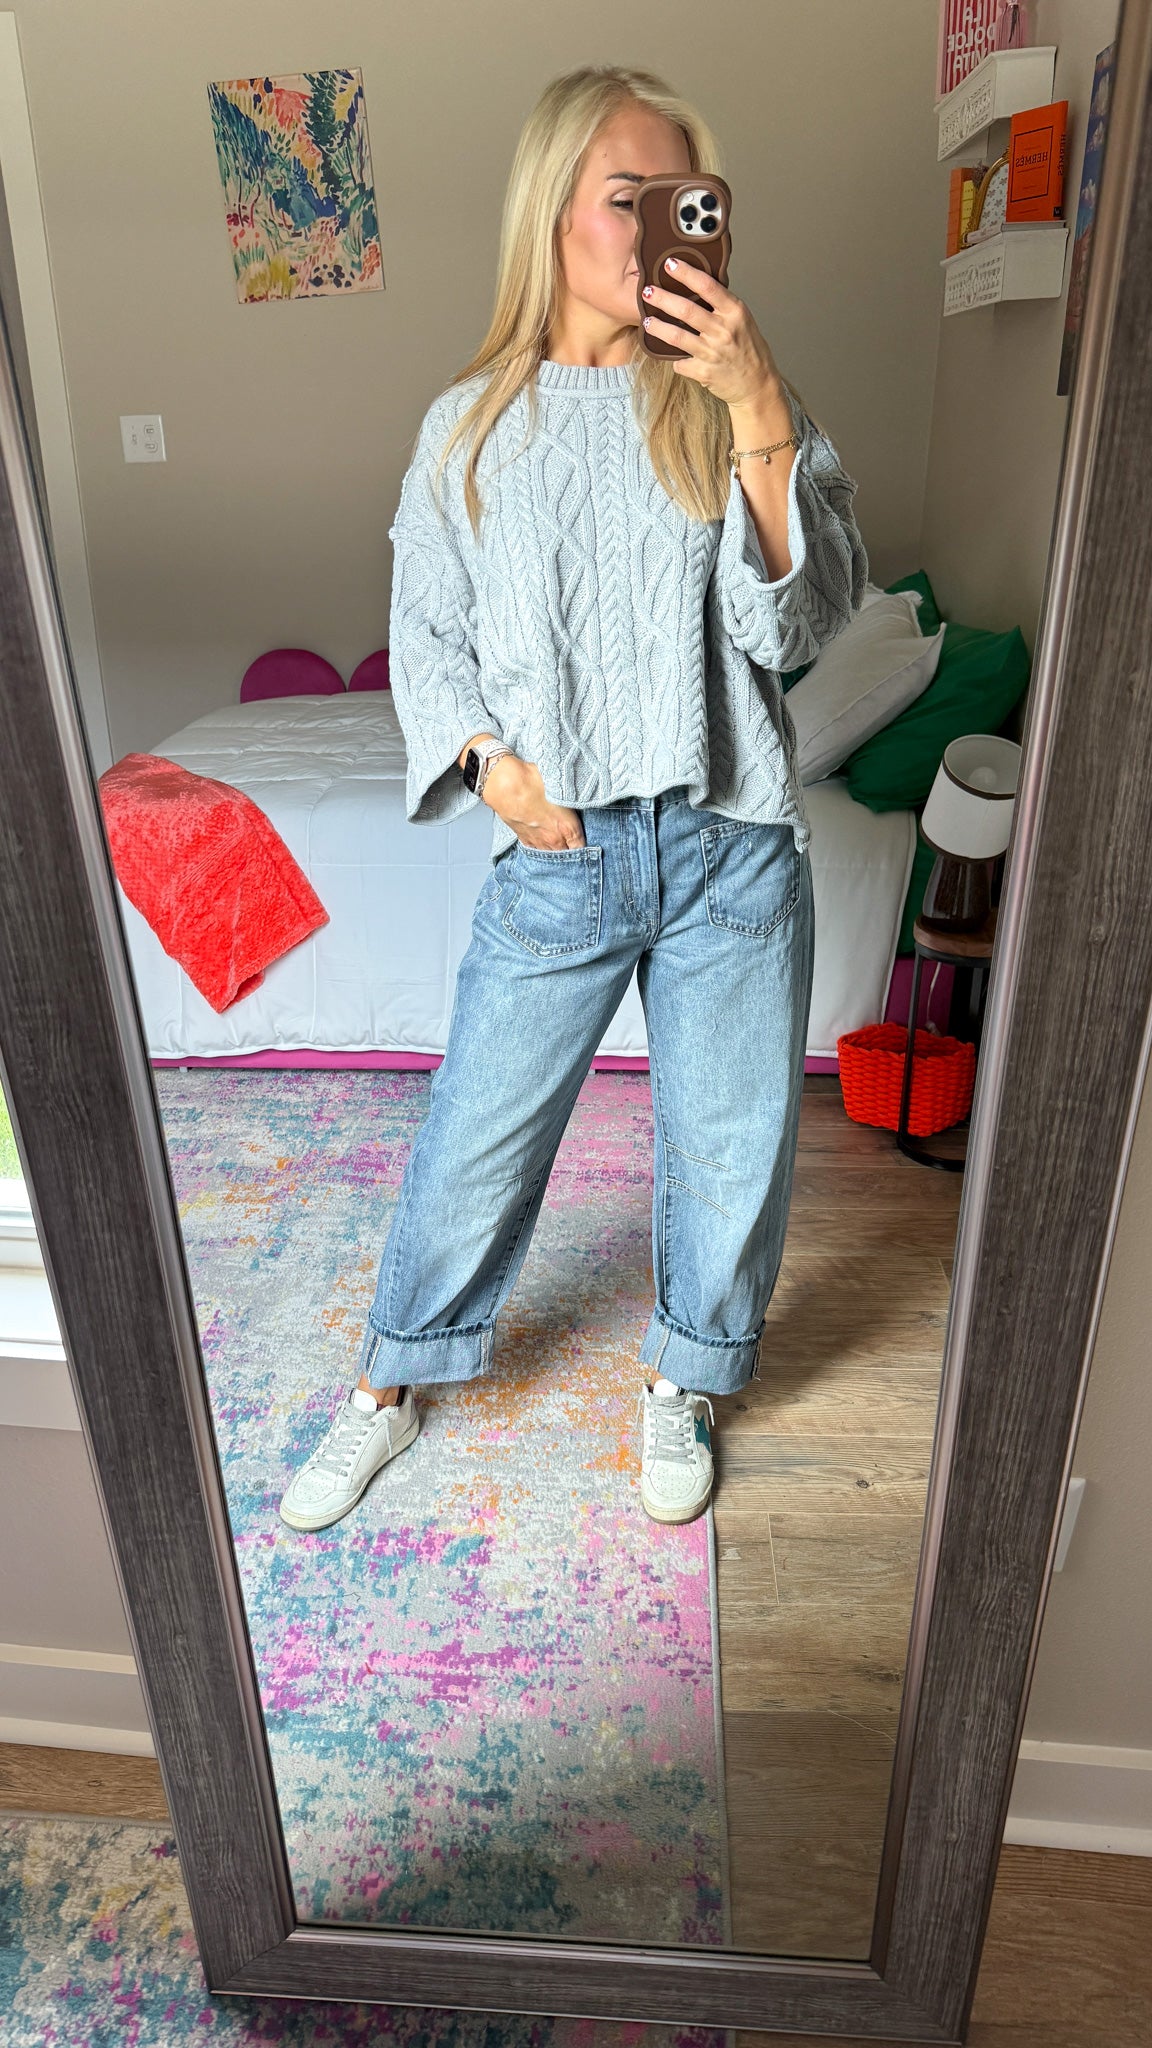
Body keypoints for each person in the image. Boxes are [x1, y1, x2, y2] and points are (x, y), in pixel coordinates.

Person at [279, 62, 867, 1537]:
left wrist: (758, 407)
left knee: (729, 1148)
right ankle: (390, 1382)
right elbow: (426, 635)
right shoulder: (467, 427)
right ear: (552, 214)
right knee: (475, 1137)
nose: (660, 228)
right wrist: (491, 765)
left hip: (733, 850)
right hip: (562, 854)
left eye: (684, 201)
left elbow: (800, 630)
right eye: (627, 198)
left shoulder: (733, 405)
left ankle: (688, 1375)